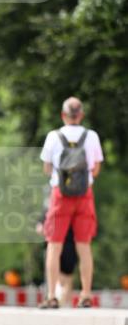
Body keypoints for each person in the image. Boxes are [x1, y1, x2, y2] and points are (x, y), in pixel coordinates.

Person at [39, 97, 103, 308]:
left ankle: (51, 295)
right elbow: (95, 169)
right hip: (85, 196)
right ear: (81, 115)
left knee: (54, 246)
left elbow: (47, 169)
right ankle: (85, 294)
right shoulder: (91, 136)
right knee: (83, 246)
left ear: (63, 115)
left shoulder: (53, 137)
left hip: (60, 196)